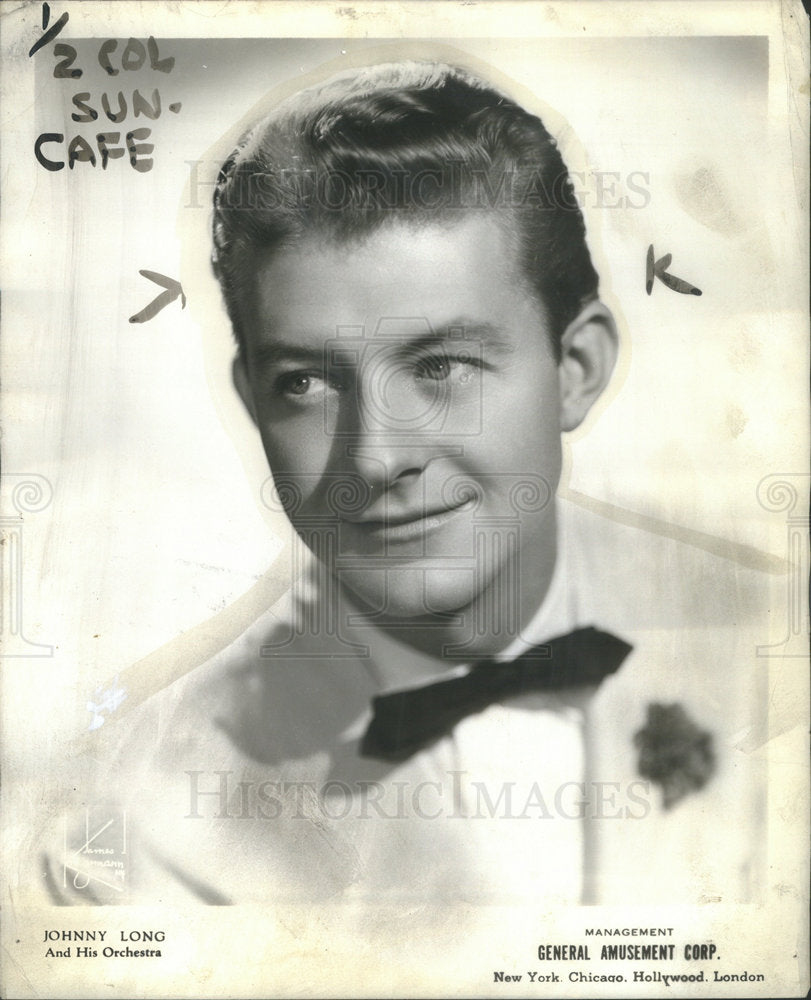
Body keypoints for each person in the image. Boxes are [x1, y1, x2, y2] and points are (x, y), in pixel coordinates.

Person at [44, 60, 768, 911]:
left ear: (574, 369)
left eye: (441, 366)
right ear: (252, 402)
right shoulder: (145, 818)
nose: (377, 459)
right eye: (306, 383)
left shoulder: (774, 651)